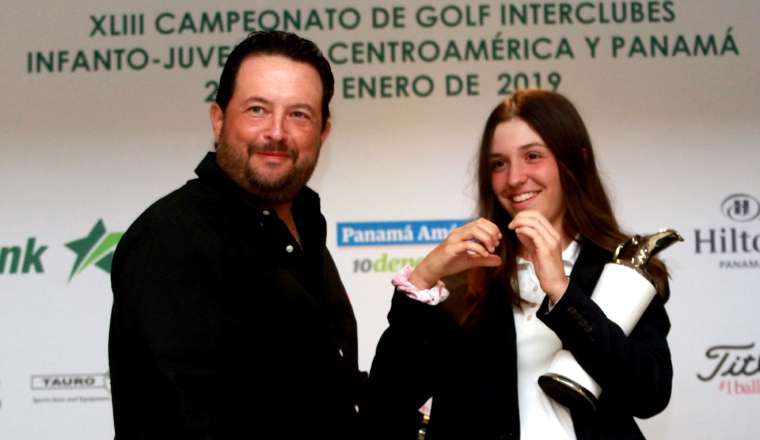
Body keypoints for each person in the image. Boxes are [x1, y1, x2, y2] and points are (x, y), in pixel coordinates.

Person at [363, 89, 673, 439]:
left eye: (533, 156)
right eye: (499, 163)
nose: (513, 179)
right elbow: (385, 404)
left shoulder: (621, 269)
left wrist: (563, 293)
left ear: (577, 160)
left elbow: (650, 394)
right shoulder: (465, 277)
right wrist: (422, 279)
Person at [108, 31, 366, 439]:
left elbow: (328, 396)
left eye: (299, 114)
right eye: (258, 109)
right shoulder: (175, 239)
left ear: (323, 133)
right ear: (218, 119)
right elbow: (188, 420)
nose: (277, 132)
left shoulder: (301, 225)